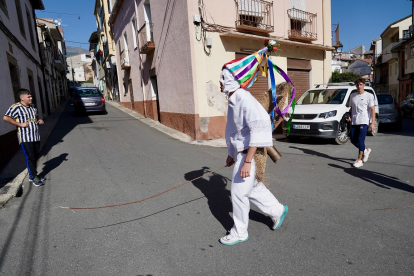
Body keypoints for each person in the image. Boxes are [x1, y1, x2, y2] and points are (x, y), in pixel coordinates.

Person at [219, 68, 288, 246]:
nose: (220, 82)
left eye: (223, 79)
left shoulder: (243, 98)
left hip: (249, 154)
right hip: (242, 153)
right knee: (253, 188)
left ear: (230, 82)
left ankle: (240, 232)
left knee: (238, 193)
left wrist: (247, 161)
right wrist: (231, 153)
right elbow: (235, 131)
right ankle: (277, 210)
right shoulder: (234, 99)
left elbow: (260, 123)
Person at [3, 89, 45, 186]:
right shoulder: (16, 107)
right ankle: (34, 177)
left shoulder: (33, 107)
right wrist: (19, 124)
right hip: (25, 138)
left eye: (31, 96)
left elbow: (36, 117)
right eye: (29, 97)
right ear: (22, 98)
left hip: (35, 136)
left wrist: (39, 120)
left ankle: (33, 175)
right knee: (30, 157)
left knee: (35, 156)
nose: (31, 98)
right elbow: (6, 117)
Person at [346, 78, 375, 168]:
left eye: (361, 84)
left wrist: (372, 123)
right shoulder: (353, 96)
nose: (359, 86)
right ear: (355, 85)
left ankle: (359, 160)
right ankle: (365, 150)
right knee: (353, 140)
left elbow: (372, 109)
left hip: (363, 121)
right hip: (354, 121)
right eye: (357, 85)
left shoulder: (369, 96)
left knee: (360, 140)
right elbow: (352, 108)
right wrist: (348, 115)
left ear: (364, 85)